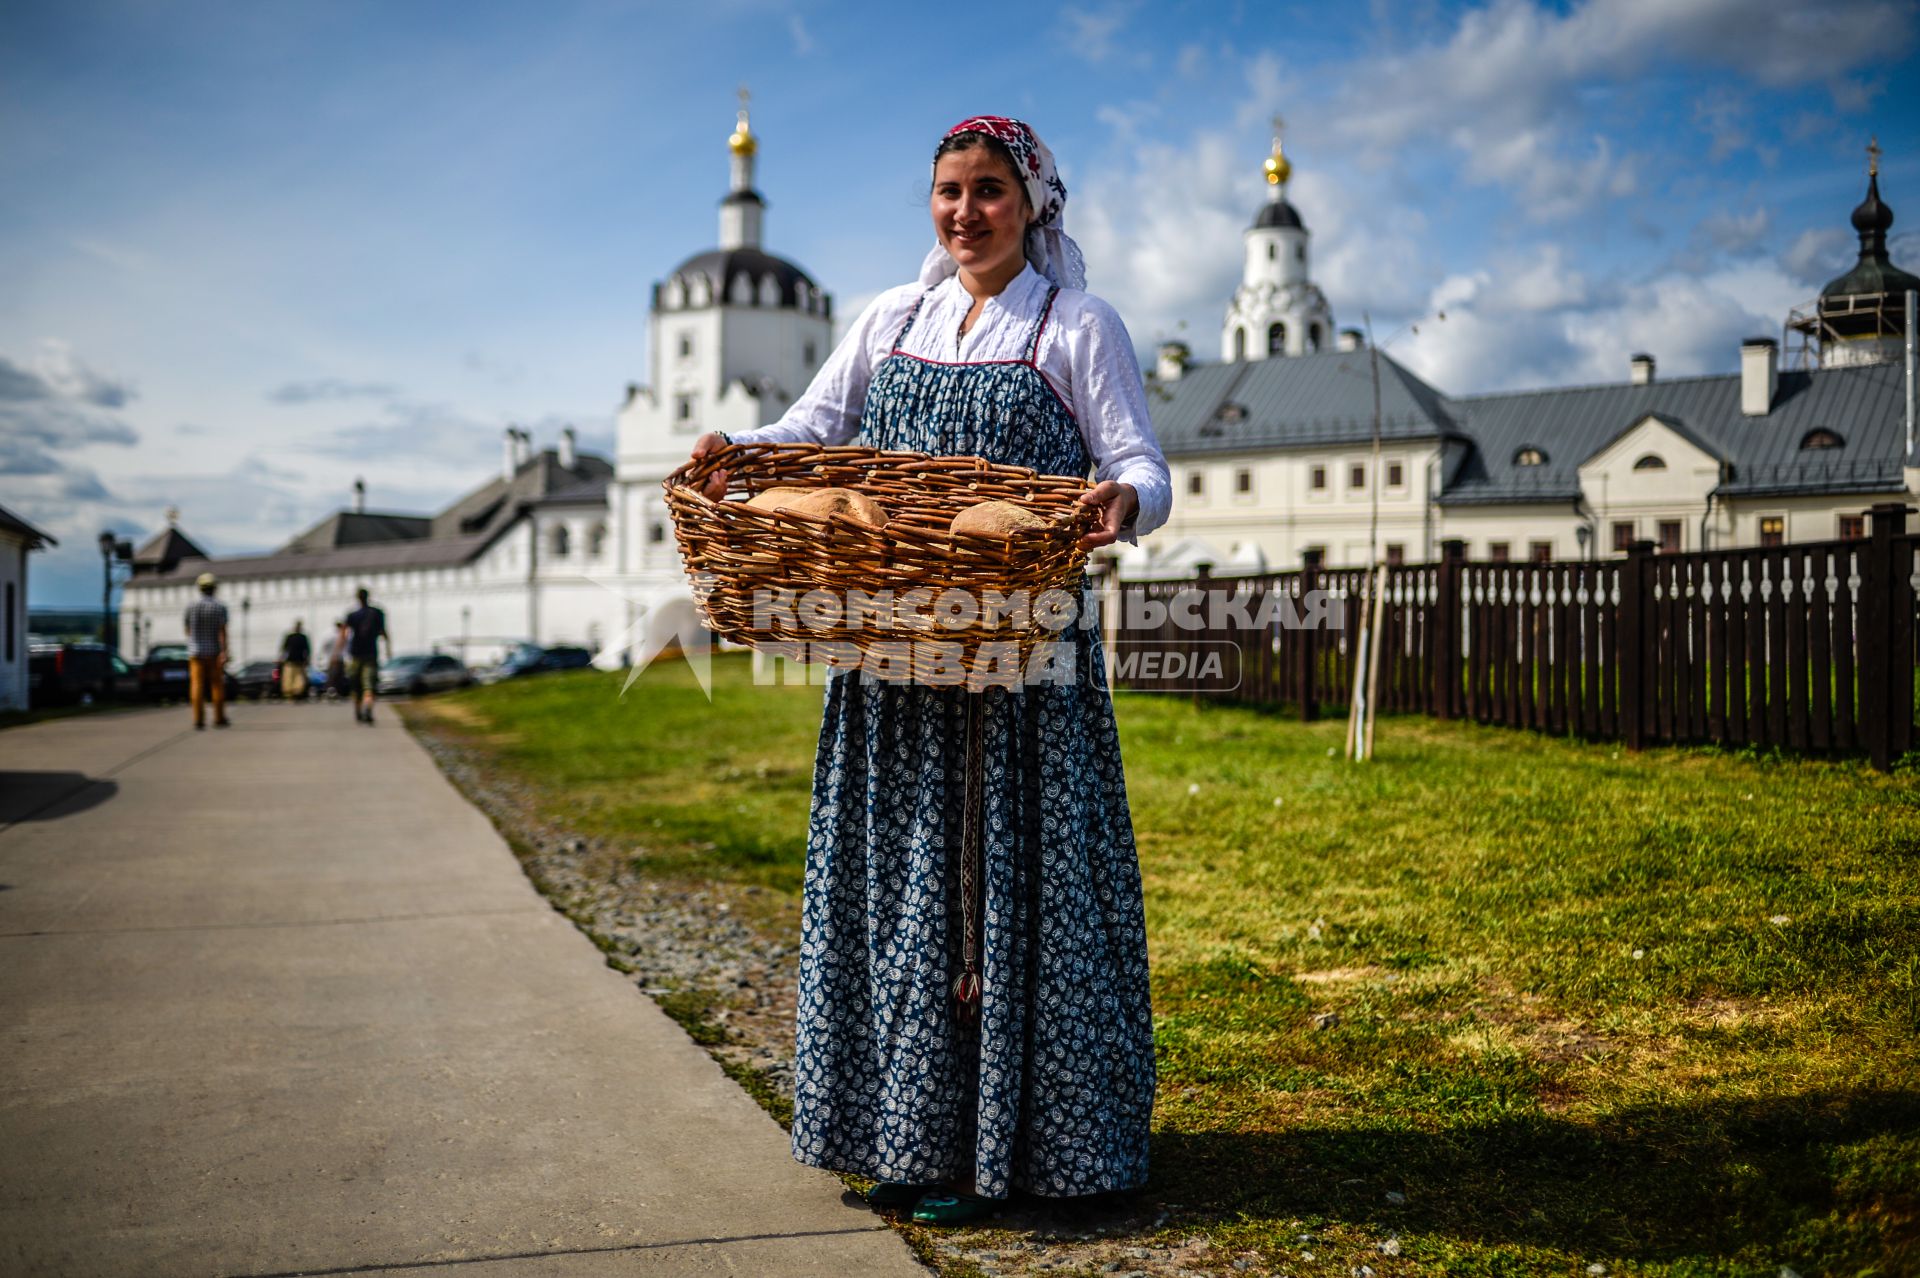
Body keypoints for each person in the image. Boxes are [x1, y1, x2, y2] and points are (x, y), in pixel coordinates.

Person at [690, 116, 1170, 1225]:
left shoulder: (1077, 325)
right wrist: (738, 454)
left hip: (1022, 659)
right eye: (949, 191)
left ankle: (1041, 1152)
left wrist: (1123, 502)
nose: (965, 212)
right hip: (895, 654)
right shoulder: (889, 319)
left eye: (990, 190)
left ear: (1033, 203)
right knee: (907, 883)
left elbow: (1140, 459)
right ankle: (905, 1141)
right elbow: (812, 430)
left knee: (1019, 880)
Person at [182, 571, 230, 730]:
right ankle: (219, 717)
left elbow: (187, 629)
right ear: (214, 588)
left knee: (197, 685)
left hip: (195, 652)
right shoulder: (219, 607)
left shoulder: (191, 606)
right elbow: (222, 631)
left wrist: (193, 642)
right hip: (214, 652)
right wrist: (224, 651)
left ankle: (198, 719)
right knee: (217, 685)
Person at [342, 588, 389, 724]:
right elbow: (383, 632)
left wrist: (340, 650)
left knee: (356, 685)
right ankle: (368, 708)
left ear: (357, 598)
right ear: (368, 597)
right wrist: (388, 648)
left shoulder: (352, 615)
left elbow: (344, 634)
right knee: (369, 686)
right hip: (371, 654)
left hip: (355, 655)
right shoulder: (377, 613)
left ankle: (358, 711)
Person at [280, 620, 311, 701]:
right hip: (294, 661)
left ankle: (294, 693)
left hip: (296, 661)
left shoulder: (297, 637)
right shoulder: (299, 637)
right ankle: (293, 693)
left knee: (295, 678)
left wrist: (307, 659)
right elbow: (285, 649)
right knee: (292, 678)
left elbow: (284, 649)